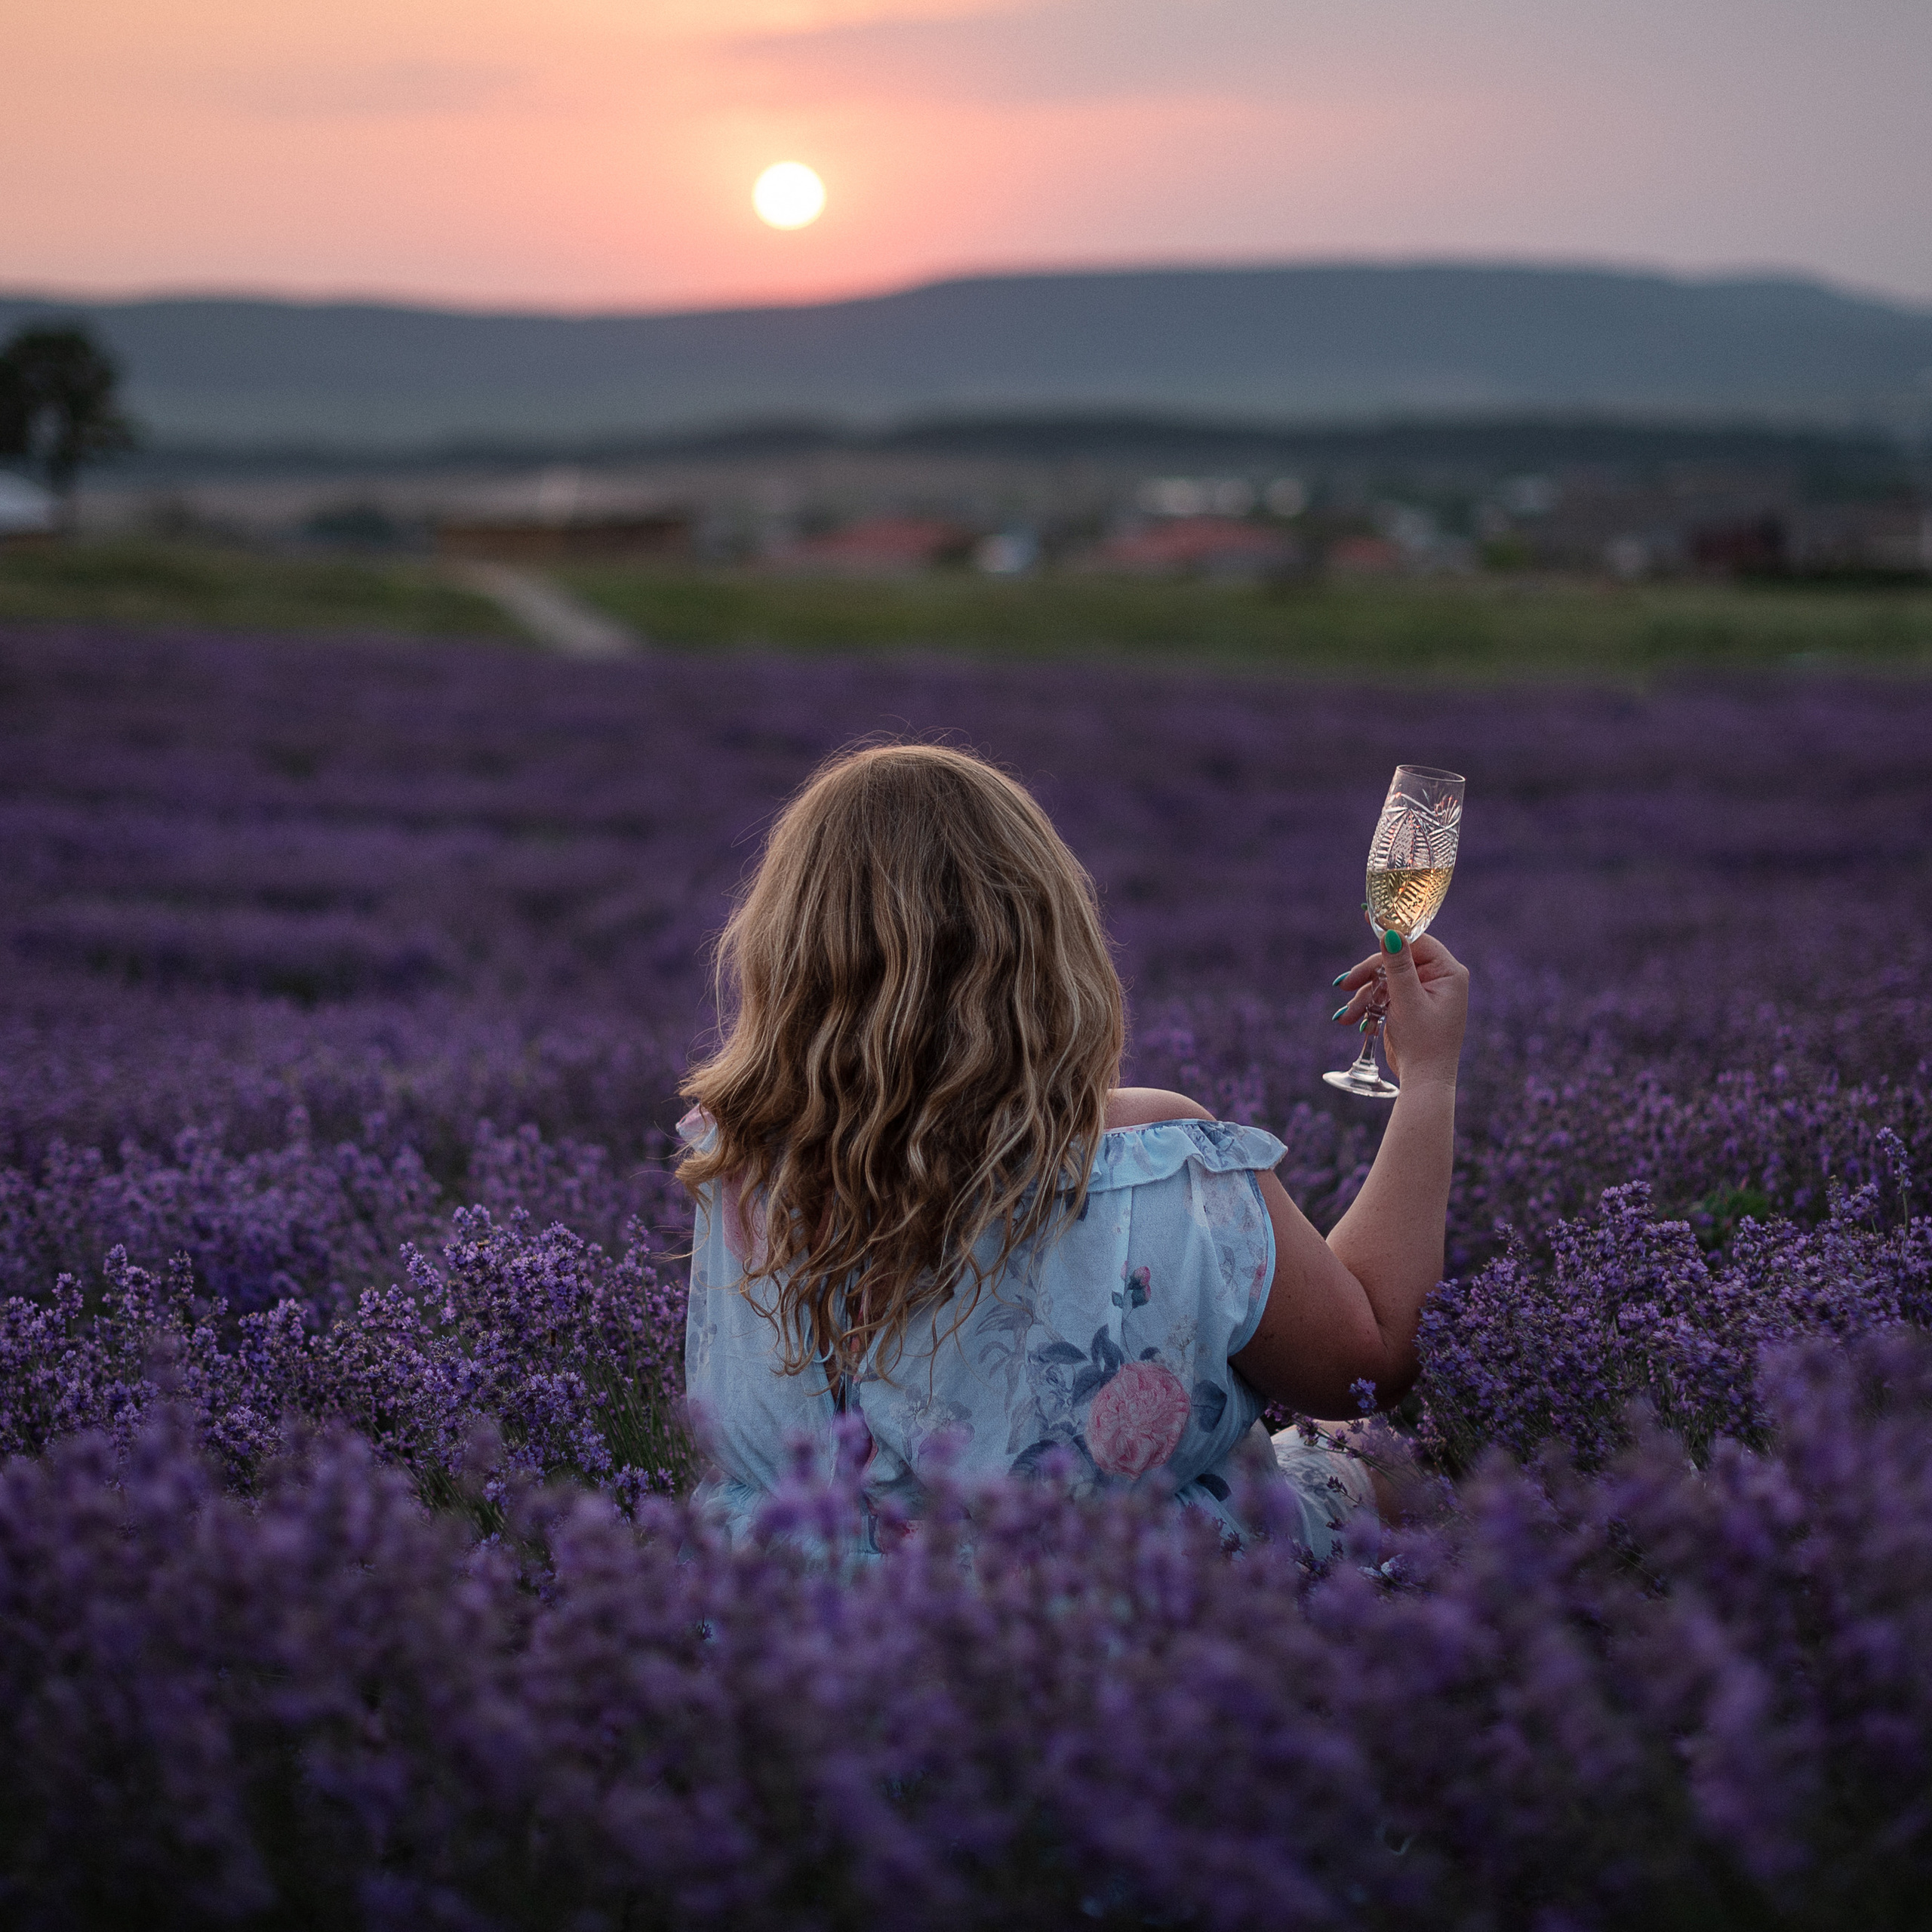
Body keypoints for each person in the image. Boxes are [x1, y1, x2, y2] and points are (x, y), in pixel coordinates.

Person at [677, 743, 1468, 1557]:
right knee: (1366, 1453)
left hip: (786, 1625)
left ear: (785, 947)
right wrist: (1429, 1080)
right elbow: (1365, 1361)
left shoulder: (738, 1160)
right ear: (1047, 937)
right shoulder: (1153, 1159)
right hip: (1098, 1616)